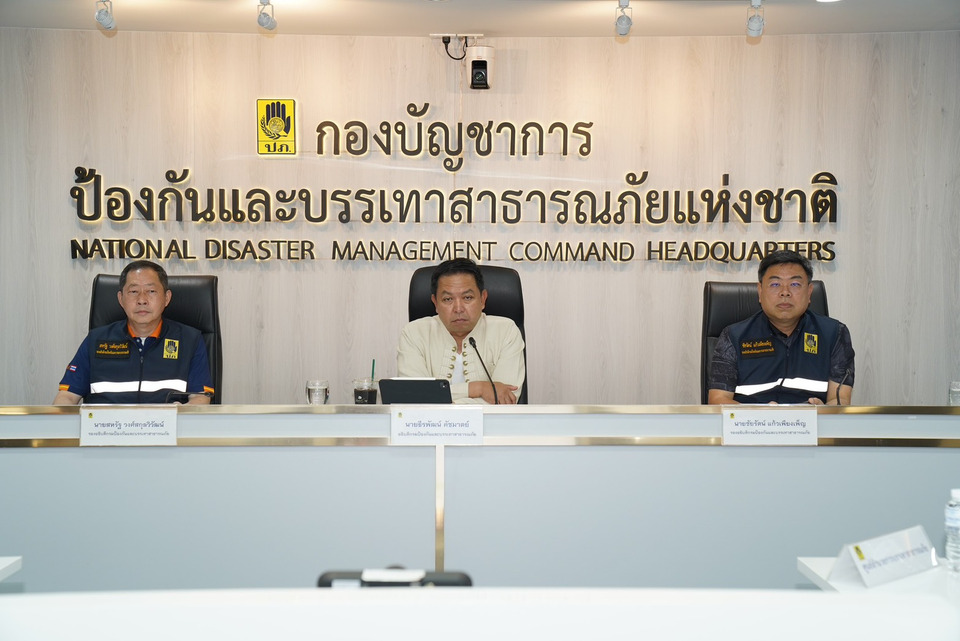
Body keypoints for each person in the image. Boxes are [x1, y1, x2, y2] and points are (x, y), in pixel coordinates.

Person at [54, 260, 214, 405]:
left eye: (151, 291)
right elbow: (66, 397)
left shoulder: (190, 340)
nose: (142, 300)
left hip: (164, 427)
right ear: (121, 299)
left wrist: (180, 415)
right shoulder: (96, 340)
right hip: (106, 427)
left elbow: (200, 398)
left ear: (167, 298)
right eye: (133, 291)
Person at [707, 250, 855, 405]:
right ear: (760, 291)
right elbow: (718, 401)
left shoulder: (834, 334)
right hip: (751, 421)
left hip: (813, 419)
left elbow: (840, 400)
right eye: (775, 284)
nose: (785, 292)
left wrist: (822, 412)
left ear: (809, 292)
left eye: (795, 284)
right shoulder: (734, 337)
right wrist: (760, 414)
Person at [397, 258, 525, 404]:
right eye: (448, 299)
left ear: (483, 299)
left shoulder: (506, 331)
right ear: (435, 303)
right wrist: (477, 388)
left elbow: (505, 399)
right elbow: (413, 396)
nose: (458, 309)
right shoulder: (414, 334)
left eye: (467, 297)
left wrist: (438, 400)